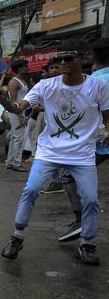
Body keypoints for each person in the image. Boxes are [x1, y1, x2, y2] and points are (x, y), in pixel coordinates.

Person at [0, 46, 109, 265]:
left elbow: (107, 115)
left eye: (69, 58)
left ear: (82, 59)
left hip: (83, 153)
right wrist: (4, 101)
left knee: (90, 199)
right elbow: (19, 107)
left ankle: (87, 243)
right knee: (31, 189)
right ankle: (16, 237)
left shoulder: (98, 85)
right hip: (49, 151)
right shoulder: (46, 85)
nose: (63, 63)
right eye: (60, 59)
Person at [58, 39, 109, 242]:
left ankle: (80, 219)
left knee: (68, 177)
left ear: (91, 58)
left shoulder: (90, 81)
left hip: (96, 140)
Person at [4, 59, 31, 171]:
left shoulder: (22, 81)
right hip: (16, 112)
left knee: (15, 137)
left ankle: (11, 162)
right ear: (19, 68)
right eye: (25, 66)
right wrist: (20, 115)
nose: (27, 68)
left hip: (20, 111)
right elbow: (13, 101)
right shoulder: (14, 82)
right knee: (19, 138)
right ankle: (17, 163)